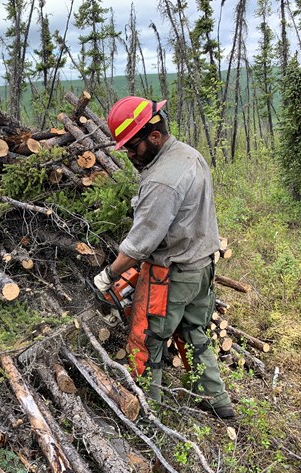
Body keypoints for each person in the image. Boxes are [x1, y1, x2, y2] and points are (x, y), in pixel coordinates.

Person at [93, 96, 234, 419]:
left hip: (170, 276)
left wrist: (108, 275)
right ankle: (218, 402)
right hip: (201, 269)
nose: (129, 154)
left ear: (154, 136)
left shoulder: (161, 181)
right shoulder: (189, 155)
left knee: (147, 341)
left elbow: (138, 246)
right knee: (195, 333)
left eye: (133, 146)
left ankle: (147, 413)